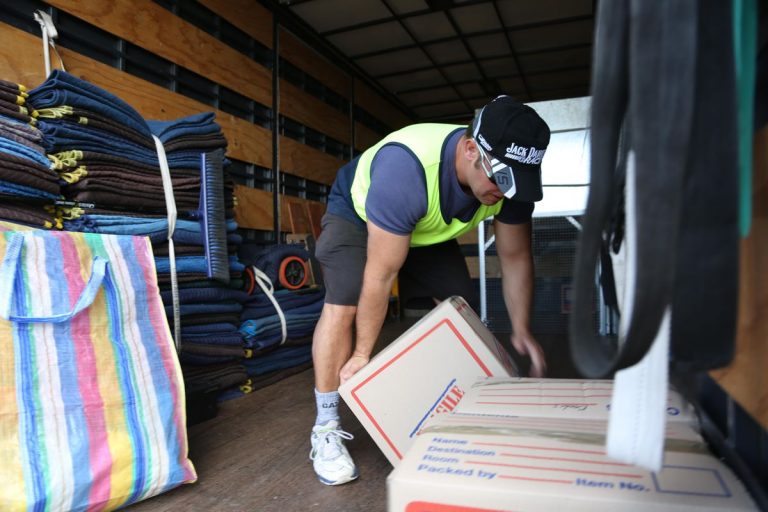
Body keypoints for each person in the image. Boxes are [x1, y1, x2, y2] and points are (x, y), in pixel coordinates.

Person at [308, 95, 551, 485]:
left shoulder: (509, 185)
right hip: (358, 214)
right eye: (502, 179)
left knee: (460, 306)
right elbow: (381, 276)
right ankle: (325, 424)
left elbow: (516, 259)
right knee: (346, 298)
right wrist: (362, 353)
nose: (507, 193)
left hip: (423, 227)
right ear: (471, 150)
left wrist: (522, 331)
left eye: (519, 183)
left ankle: (453, 406)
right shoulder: (406, 171)